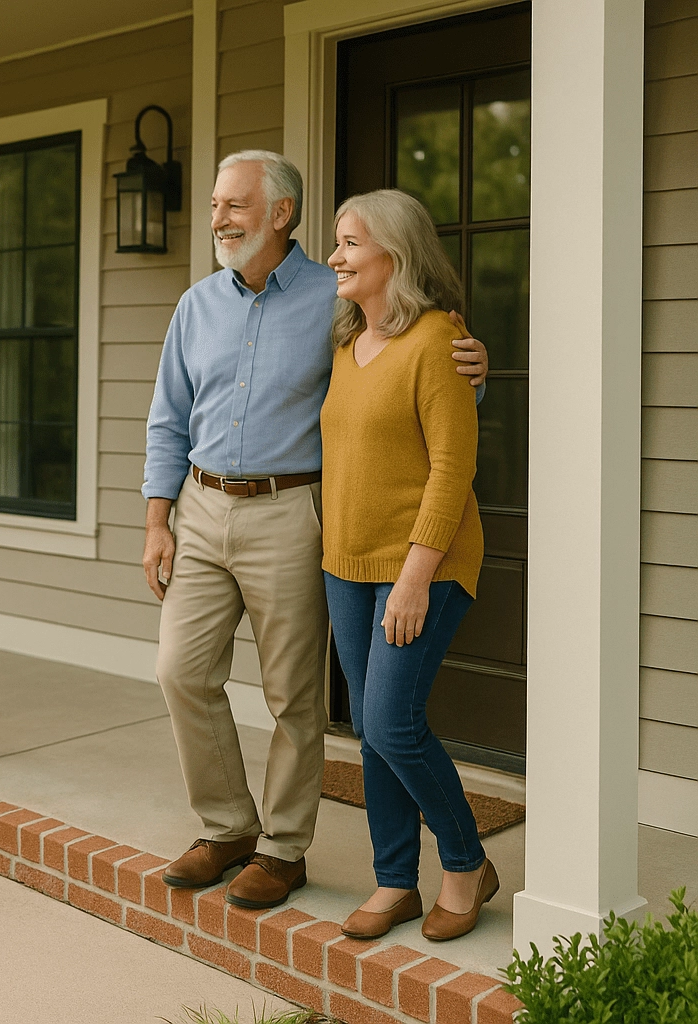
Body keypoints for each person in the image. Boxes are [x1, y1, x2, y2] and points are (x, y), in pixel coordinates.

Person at [141, 151, 488, 912]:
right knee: (180, 670)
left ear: (279, 213)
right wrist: (158, 518)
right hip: (201, 507)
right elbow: (167, 416)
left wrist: (475, 367)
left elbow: (412, 361)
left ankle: (282, 847)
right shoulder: (199, 306)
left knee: (297, 696)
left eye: (235, 204)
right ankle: (229, 824)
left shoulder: (331, 303)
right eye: (214, 205)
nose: (219, 219)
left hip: (291, 512)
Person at [321, 189, 495, 942]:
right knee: (368, 725)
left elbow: (452, 467)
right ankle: (394, 880)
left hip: (422, 561)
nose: (336, 256)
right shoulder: (345, 343)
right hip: (346, 563)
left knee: (393, 722)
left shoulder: (438, 342)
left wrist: (416, 578)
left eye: (351, 243)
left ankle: (466, 864)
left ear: (396, 251)